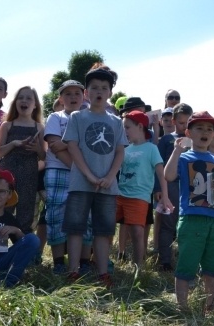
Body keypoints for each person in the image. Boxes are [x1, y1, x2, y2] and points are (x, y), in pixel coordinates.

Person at [62, 68, 126, 285]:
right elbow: (72, 146)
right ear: (87, 92)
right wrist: (88, 174)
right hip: (80, 182)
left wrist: (110, 176)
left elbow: (120, 151)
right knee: (75, 227)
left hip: (108, 185)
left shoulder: (116, 121)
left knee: (104, 230)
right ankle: (73, 271)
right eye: (95, 88)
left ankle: (102, 273)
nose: (99, 91)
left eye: (104, 88)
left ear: (110, 93)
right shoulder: (77, 117)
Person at [163, 111, 214, 311]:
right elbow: (168, 175)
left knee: (212, 266)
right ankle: (182, 306)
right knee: (187, 263)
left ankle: (210, 305)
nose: (205, 132)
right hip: (191, 219)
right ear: (189, 132)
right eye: (199, 128)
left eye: (210, 129)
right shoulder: (184, 158)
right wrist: (176, 151)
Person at [43, 80, 92, 274]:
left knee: (86, 215)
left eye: (77, 93)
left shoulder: (89, 118)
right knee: (56, 214)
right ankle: (58, 262)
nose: (72, 97)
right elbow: (55, 147)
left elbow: (90, 147)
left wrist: (67, 144)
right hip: (58, 171)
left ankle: (84, 261)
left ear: (83, 97)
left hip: (85, 174)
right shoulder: (55, 117)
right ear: (61, 99)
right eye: (68, 94)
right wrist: (77, 164)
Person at [118, 110, 173, 268]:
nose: (125, 131)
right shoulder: (125, 149)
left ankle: (138, 266)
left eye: (127, 127)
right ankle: (108, 260)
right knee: (107, 227)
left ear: (140, 126)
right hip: (120, 194)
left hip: (139, 196)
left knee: (137, 232)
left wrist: (165, 196)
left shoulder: (151, 148)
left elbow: (161, 174)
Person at [0, 86, 46, 234]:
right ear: (15, 102)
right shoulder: (7, 125)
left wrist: (37, 149)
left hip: (30, 174)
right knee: (3, 209)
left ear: (35, 104)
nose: (24, 101)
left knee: (26, 211)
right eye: (21, 97)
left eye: (29, 98)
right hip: (7, 173)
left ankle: (23, 251)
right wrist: (13, 144)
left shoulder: (40, 127)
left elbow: (44, 157)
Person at [156, 102, 192, 272]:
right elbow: (158, 164)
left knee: (187, 225)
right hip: (170, 186)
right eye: (181, 122)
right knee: (168, 224)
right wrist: (158, 189)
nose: (184, 126)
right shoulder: (166, 139)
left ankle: (185, 258)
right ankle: (165, 260)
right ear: (174, 121)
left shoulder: (195, 141)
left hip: (191, 187)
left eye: (188, 122)